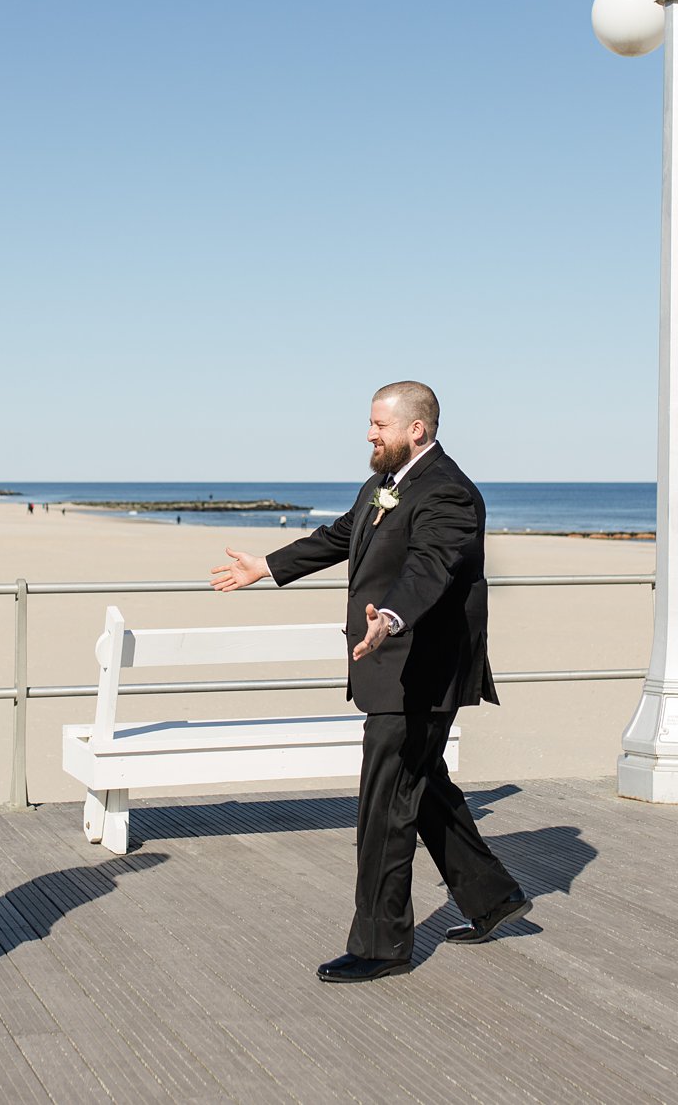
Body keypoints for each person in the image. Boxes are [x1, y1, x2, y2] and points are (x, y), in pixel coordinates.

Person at [210, 381, 528, 983]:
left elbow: (428, 567)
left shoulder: (449, 493)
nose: (368, 433)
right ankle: (492, 897)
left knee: (385, 805)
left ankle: (382, 946)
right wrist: (269, 566)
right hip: (386, 667)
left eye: (379, 424)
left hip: (420, 673)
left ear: (417, 429)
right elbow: (340, 536)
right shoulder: (384, 485)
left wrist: (392, 615)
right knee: (421, 786)